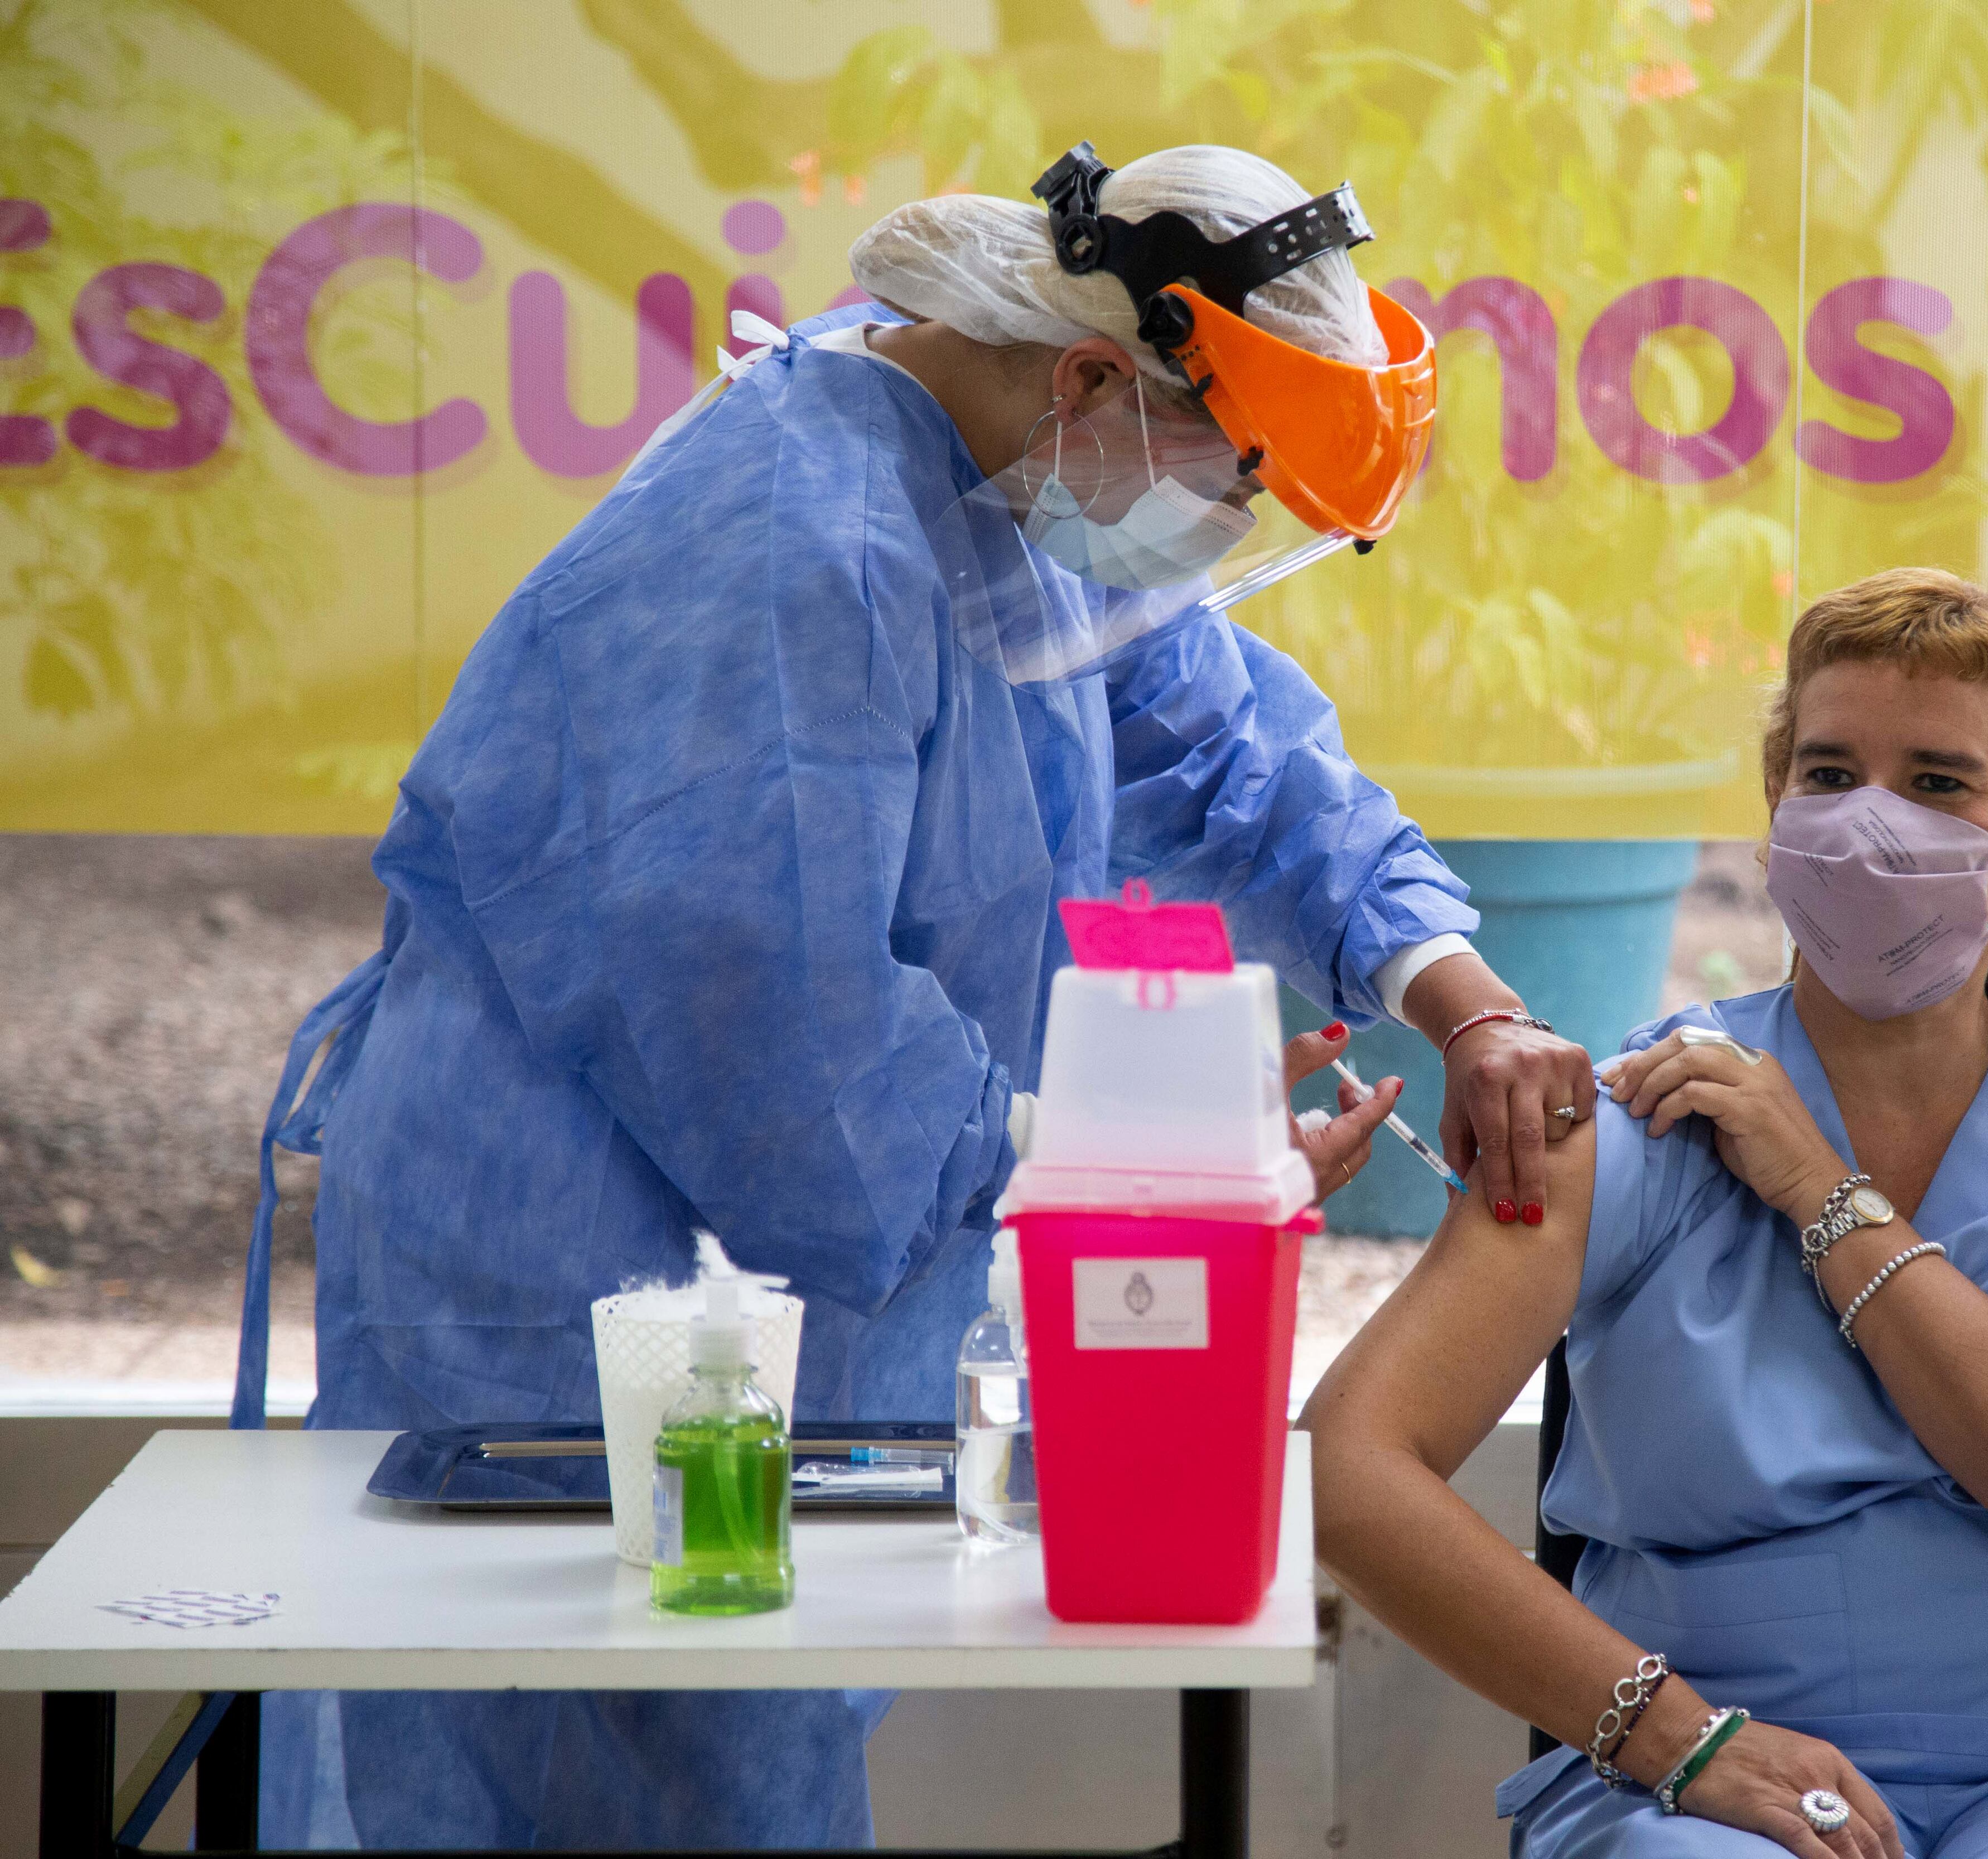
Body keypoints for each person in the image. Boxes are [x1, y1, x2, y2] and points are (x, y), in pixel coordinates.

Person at [235, 142, 1595, 1849]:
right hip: (574, 1272)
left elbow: (1231, 752)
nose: (1218, 536)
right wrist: (1147, 1156)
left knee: (743, 1758)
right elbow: (773, 1031)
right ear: (1090, 376)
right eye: (1229, 484)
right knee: (591, 1777)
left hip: (778, 1284)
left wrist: (1464, 998)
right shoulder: (795, 542)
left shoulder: (1024, 487)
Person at [1304, 570, 1988, 1859]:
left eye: (1937, 782)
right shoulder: (1631, 1120)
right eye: (1829, 772)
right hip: (1711, 1780)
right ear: (1774, 806)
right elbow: (1349, 1466)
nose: (1869, 822)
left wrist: (1818, 1189)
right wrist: (1679, 1739)